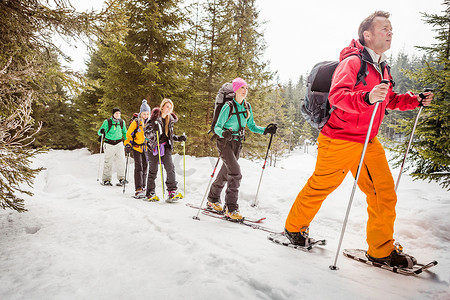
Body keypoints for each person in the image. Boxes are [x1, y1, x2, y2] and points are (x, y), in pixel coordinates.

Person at [284, 11, 433, 268]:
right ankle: (294, 228)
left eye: (391, 29)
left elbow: (388, 99)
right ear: (367, 34)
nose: (390, 33)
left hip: (368, 142)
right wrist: (366, 97)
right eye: (384, 28)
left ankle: (380, 250)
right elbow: (337, 96)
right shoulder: (353, 63)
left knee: (383, 193)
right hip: (339, 139)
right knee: (321, 186)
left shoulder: (382, 67)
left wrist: (414, 99)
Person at [207, 78, 277, 220]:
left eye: (246, 88)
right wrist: (223, 133)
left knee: (226, 172)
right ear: (235, 90)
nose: (245, 91)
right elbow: (217, 127)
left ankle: (212, 198)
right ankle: (231, 208)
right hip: (224, 142)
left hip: (237, 143)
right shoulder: (228, 106)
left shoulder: (246, 107)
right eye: (242, 88)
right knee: (236, 173)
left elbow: (251, 126)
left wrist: (266, 130)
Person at [145, 98, 186, 202]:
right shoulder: (154, 119)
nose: (169, 109)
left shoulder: (170, 120)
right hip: (154, 147)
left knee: (170, 168)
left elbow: (169, 136)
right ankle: (150, 192)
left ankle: (172, 191)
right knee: (153, 170)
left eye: (170, 107)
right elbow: (146, 133)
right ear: (162, 107)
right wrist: (153, 130)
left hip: (165, 147)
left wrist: (179, 138)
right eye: (167, 107)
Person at [124, 100, 151, 198]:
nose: (146, 115)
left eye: (147, 114)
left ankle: (144, 186)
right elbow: (129, 135)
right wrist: (127, 144)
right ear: (141, 113)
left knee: (145, 166)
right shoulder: (136, 122)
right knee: (139, 167)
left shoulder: (150, 123)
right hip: (136, 147)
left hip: (146, 147)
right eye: (144, 114)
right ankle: (138, 189)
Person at [97, 108, 127, 186]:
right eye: (116, 113)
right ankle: (106, 179)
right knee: (108, 161)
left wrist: (128, 141)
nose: (118, 115)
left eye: (119, 113)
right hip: (109, 143)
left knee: (121, 161)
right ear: (113, 114)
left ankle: (122, 178)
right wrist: (101, 132)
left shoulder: (122, 122)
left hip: (119, 143)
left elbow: (125, 132)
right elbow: (100, 132)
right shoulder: (107, 122)